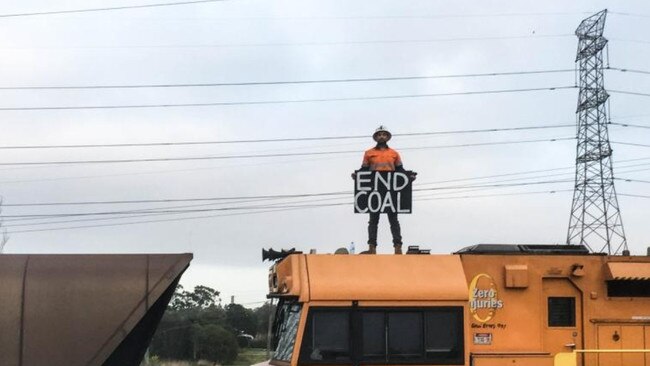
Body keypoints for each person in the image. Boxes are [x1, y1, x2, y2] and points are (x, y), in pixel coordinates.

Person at [352, 126, 415, 254]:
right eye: (379, 134)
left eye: (384, 134)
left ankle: (398, 246)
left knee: (393, 220)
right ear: (376, 137)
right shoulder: (369, 153)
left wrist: (409, 178)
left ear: (387, 137)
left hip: (390, 191)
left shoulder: (394, 153)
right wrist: (357, 176)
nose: (381, 136)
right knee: (373, 220)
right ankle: (372, 247)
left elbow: (400, 170)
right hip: (374, 191)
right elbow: (364, 169)